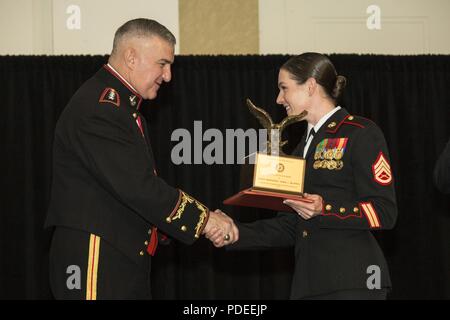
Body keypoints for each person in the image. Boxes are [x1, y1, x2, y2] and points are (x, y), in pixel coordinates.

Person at [45, 18, 238, 300]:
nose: (168, 75)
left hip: (118, 255)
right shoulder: (101, 109)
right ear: (131, 57)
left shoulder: (123, 108)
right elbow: (139, 188)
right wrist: (205, 220)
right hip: (96, 255)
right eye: (162, 63)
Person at [209, 52, 398, 300]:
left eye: (284, 88)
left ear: (310, 86)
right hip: (310, 285)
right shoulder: (303, 146)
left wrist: (326, 207)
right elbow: (291, 224)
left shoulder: (361, 132)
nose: (278, 99)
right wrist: (235, 233)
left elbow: (384, 212)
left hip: (354, 282)